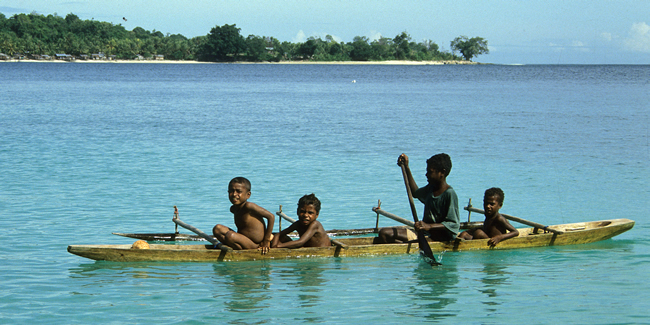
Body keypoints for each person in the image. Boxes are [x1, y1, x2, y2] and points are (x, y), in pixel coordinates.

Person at [376, 153, 460, 243]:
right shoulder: (430, 189)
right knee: (384, 233)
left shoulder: (449, 194)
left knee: (386, 235)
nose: (426, 174)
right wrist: (406, 168)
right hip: (424, 234)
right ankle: (406, 248)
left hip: (440, 238)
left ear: (442, 173)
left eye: (430, 172)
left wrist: (429, 226)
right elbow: (415, 193)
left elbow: (453, 224)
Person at [212, 177, 275, 253]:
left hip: (255, 244)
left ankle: (235, 246)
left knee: (230, 236)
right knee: (217, 229)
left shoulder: (249, 206)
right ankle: (233, 244)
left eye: (238, 191)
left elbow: (271, 217)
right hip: (242, 239)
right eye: (231, 191)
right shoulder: (233, 209)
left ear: (248, 195)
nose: (234, 194)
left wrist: (266, 240)